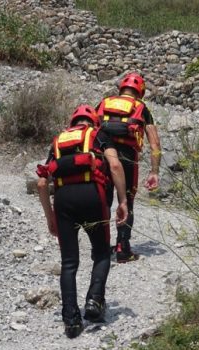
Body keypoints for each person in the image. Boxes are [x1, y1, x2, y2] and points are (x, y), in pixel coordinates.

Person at [36, 105, 129, 338]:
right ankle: (94, 302)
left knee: (69, 263)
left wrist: (50, 217)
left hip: (64, 202)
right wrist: (123, 201)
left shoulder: (57, 141)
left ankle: (71, 320)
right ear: (93, 121)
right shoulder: (98, 135)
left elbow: (40, 183)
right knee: (100, 253)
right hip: (92, 197)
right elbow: (115, 165)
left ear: (72, 121)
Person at [95, 73, 162, 263]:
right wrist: (154, 172)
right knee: (127, 203)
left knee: (104, 201)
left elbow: (88, 130)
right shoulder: (141, 108)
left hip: (102, 157)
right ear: (140, 92)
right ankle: (123, 248)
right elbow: (155, 144)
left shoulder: (104, 102)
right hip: (127, 159)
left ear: (121, 89)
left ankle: (101, 248)